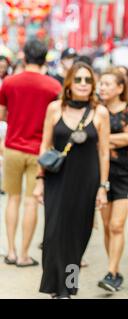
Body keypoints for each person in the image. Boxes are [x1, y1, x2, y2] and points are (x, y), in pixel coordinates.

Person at [33, 62, 110, 299]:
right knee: (53, 235)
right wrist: (39, 180)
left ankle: (68, 288)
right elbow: (45, 145)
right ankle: (56, 287)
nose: (83, 84)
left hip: (86, 183)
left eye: (88, 80)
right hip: (57, 180)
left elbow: (104, 152)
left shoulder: (100, 113)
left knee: (78, 238)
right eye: (78, 79)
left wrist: (102, 187)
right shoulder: (55, 108)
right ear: (69, 83)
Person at [0, 39, 62, 267]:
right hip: (40, 152)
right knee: (30, 202)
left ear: (24, 57)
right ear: (45, 58)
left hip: (12, 148)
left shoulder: (9, 82)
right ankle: (25, 255)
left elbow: (2, 114)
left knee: (12, 200)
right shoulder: (53, 86)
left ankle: (11, 252)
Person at [97, 68, 128, 292]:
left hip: (125, 175)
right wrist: (115, 140)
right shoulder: (95, 109)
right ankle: (113, 268)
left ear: (120, 88)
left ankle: (112, 273)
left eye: (107, 83)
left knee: (116, 226)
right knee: (106, 226)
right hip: (100, 174)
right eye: (101, 83)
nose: (102, 87)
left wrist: (103, 139)